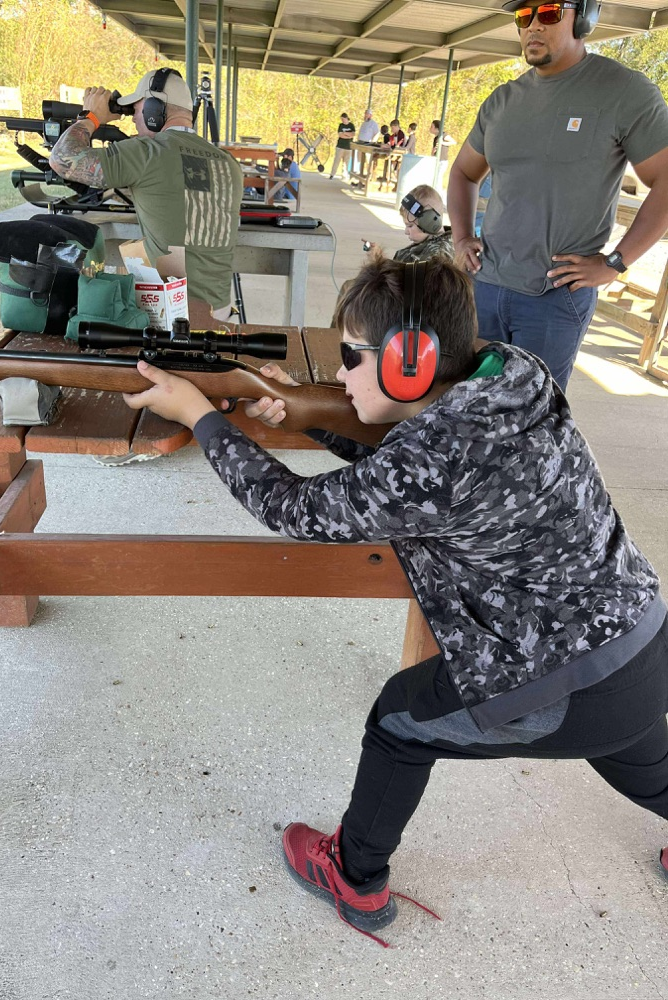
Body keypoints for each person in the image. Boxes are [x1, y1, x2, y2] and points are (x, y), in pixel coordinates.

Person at [120, 251, 668, 947]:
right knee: (635, 747)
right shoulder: (514, 373)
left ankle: (354, 876)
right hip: (643, 643)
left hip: (564, 685)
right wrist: (309, 416)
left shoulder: (437, 458)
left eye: (353, 357)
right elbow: (413, 472)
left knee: (399, 722)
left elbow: (296, 508)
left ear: (413, 362)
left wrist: (199, 416)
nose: (342, 373)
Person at [448, 0, 668, 392]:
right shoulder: (502, 100)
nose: (533, 25)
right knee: (467, 407)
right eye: (523, 16)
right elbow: (464, 172)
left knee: (532, 416)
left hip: (553, 298)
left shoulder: (623, 91)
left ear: (584, 17)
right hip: (484, 287)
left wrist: (616, 262)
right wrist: (462, 237)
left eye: (549, 12)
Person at [48, 68, 243, 323]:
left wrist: (91, 117)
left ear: (154, 110)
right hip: (221, 317)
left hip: (170, 319)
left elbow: (62, 158)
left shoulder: (148, 153)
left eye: (136, 110)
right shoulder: (228, 162)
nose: (132, 120)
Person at [393, 184, 453, 264]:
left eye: (410, 226)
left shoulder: (435, 258)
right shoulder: (454, 243)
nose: (406, 232)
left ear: (429, 222)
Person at [330, 112, 356, 181]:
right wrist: (348, 135)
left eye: (343, 119)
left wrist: (345, 133)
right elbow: (340, 135)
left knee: (346, 162)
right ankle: (332, 174)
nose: (342, 120)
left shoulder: (351, 125)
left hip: (348, 147)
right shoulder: (341, 125)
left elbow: (353, 134)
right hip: (340, 146)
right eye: (341, 119)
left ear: (346, 118)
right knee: (336, 161)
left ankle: (344, 175)